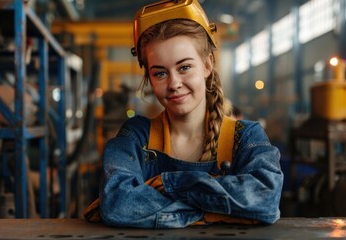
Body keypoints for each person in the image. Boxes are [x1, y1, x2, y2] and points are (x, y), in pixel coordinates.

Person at [86, 0, 283, 228]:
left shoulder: (245, 137)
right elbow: (118, 204)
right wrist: (211, 213)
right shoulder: (136, 136)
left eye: (184, 67)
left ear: (207, 65)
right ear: (149, 78)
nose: (174, 83)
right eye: (160, 73)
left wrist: (165, 183)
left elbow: (265, 200)